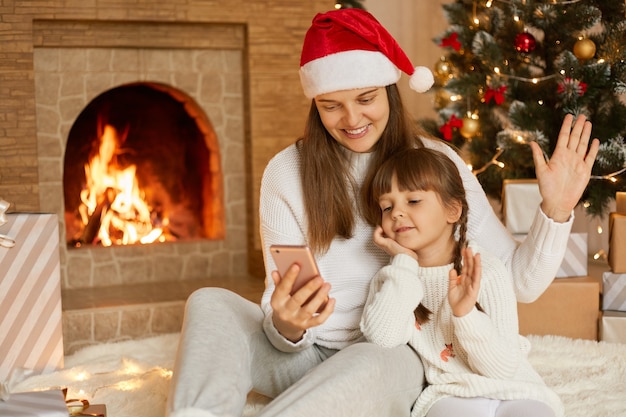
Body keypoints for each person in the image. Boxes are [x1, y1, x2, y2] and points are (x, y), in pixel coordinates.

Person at [166, 7, 598, 417]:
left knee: (371, 357)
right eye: (330, 105)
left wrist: (555, 211)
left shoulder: (435, 163)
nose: (351, 118)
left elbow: (517, 281)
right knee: (209, 303)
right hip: (301, 358)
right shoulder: (286, 173)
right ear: (314, 103)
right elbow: (281, 319)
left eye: (366, 98)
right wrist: (287, 324)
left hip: (386, 355)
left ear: (389, 89)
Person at [360, 147, 563, 417]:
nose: (396, 213)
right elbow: (382, 338)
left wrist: (465, 315)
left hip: (513, 388)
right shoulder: (395, 279)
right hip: (450, 394)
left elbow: (502, 368)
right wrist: (405, 262)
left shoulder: (484, 270)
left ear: (452, 210)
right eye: (387, 207)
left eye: (413, 201)